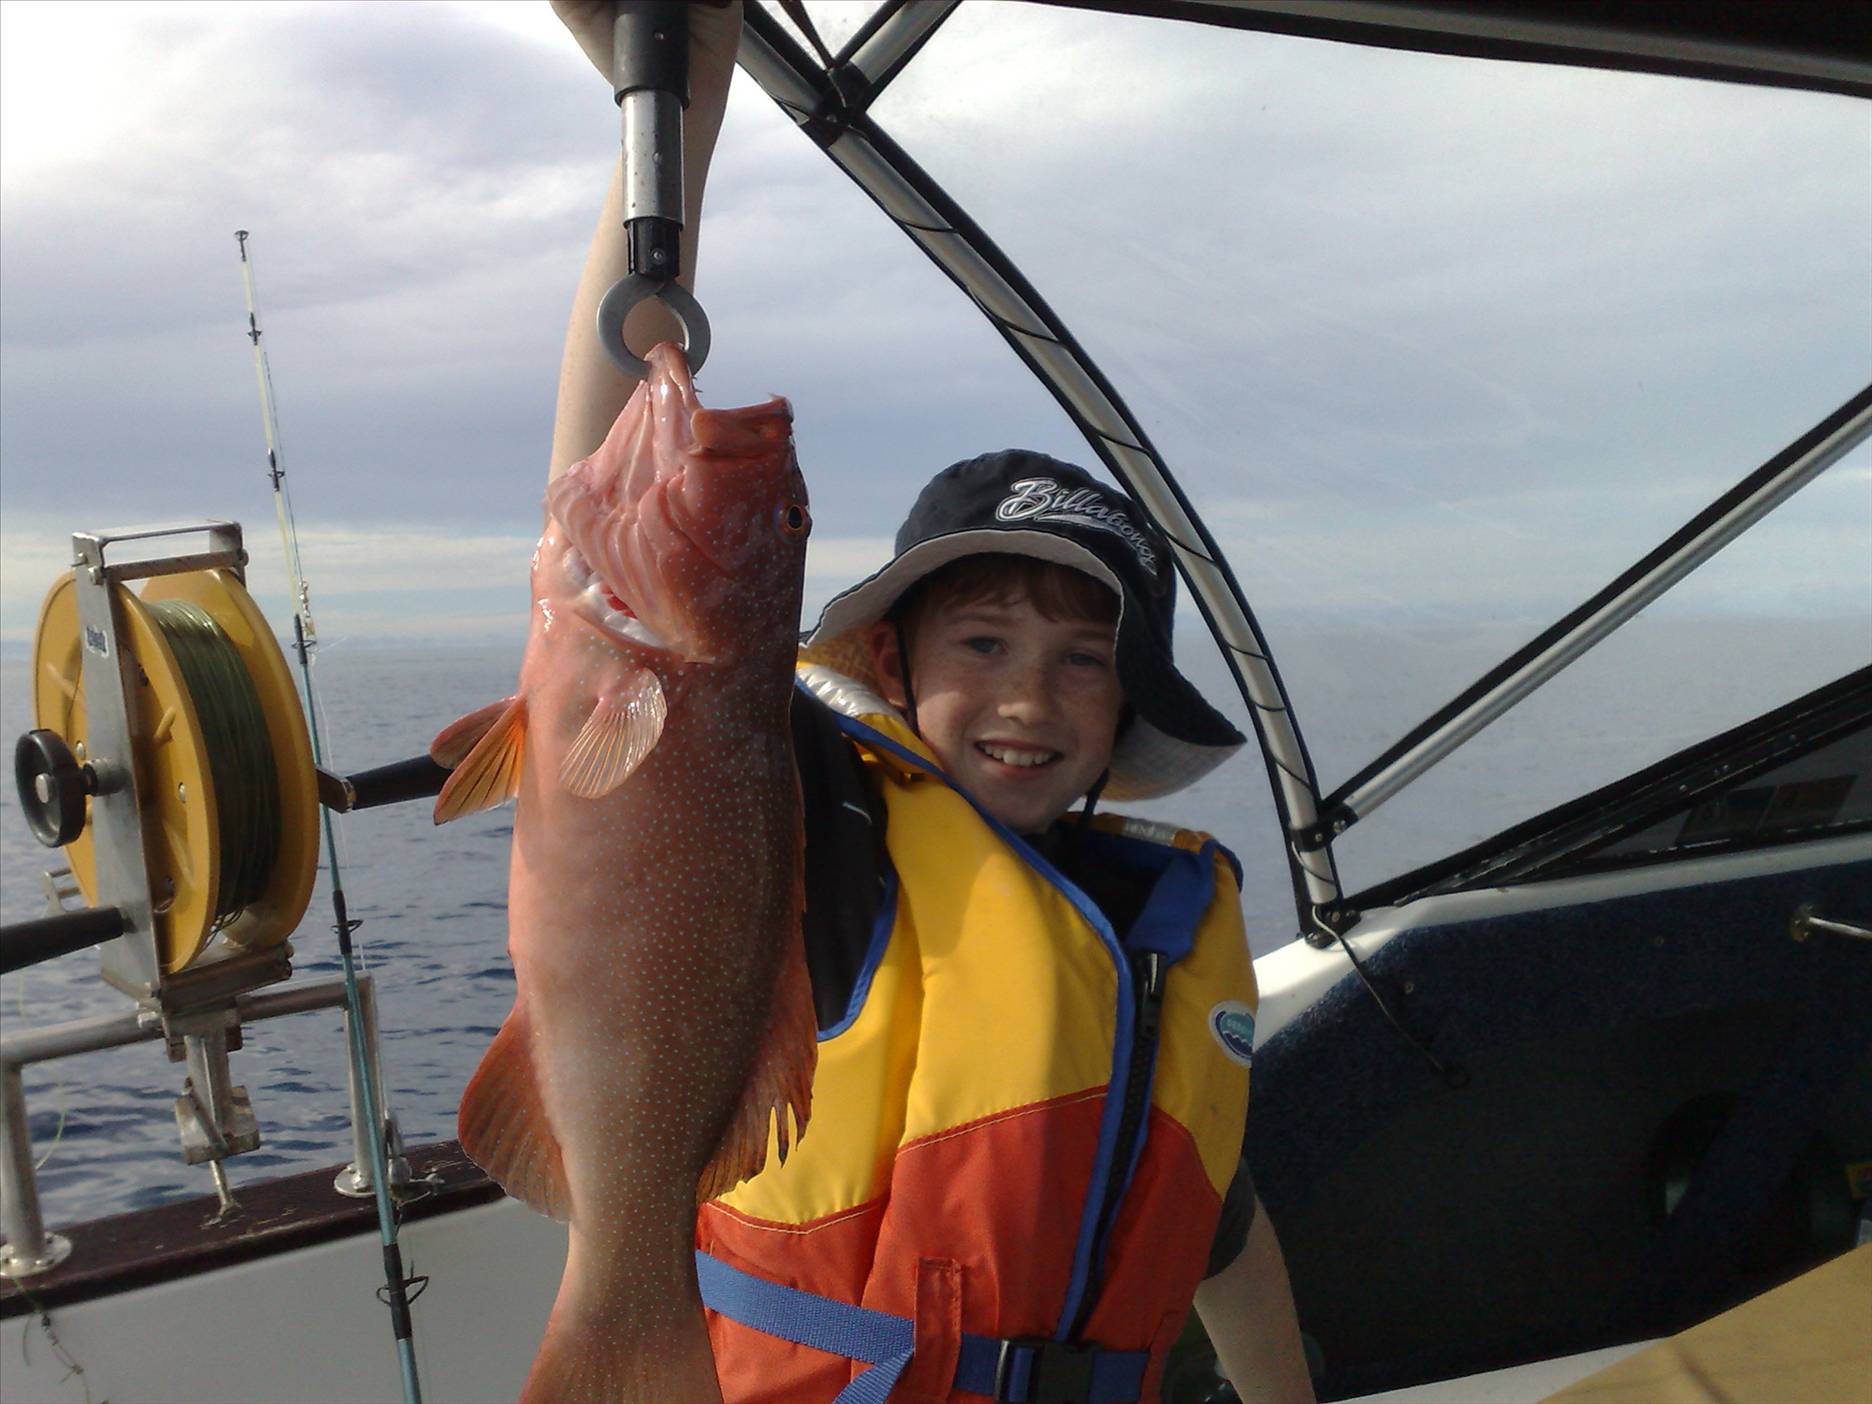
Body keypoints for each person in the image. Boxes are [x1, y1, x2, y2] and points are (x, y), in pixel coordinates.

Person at [547, 6, 1314, 1402]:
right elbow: (608, 480)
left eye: (1085, 660)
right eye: (983, 640)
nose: (1031, 696)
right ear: (891, 669)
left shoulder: (1151, 935)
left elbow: (1221, 1228)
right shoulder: (823, 823)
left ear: (1128, 703)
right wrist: (674, 123)